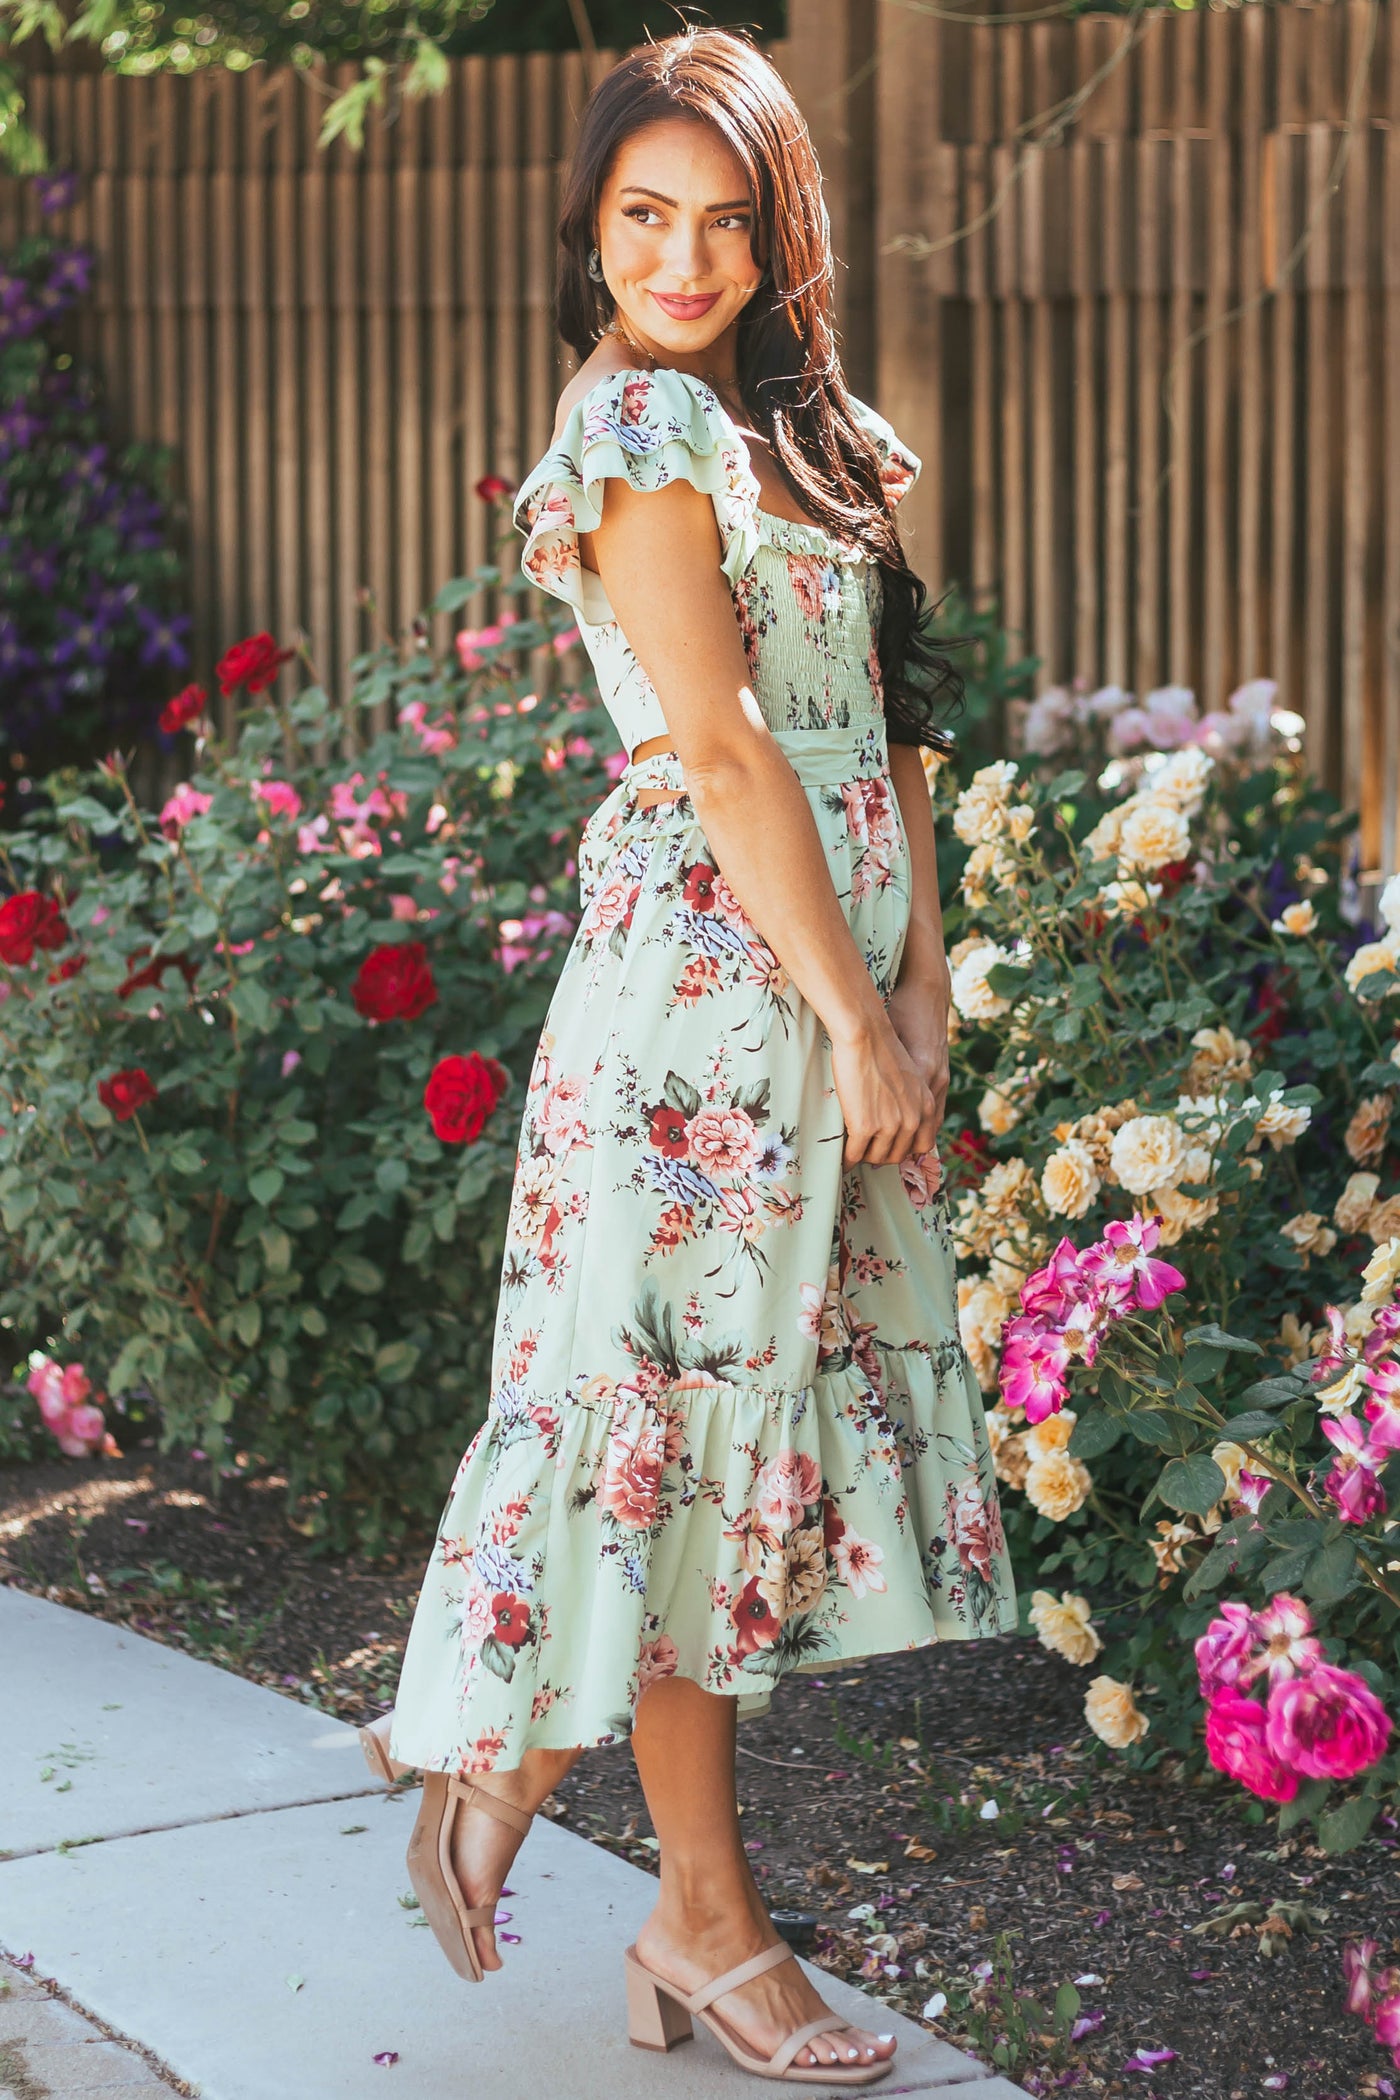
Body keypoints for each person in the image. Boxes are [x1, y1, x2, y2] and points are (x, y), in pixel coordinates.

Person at [374, 26, 1018, 2087]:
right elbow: (727, 751)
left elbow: (901, 720)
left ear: (778, 236)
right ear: (590, 228)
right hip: (716, 1001)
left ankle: (676, 1910)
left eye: (723, 218)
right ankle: (586, 1826)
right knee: (667, 1422)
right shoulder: (641, 428)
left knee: (735, 1454)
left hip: (840, 992)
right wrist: (848, 1011)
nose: (682, 252)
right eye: (645, 214)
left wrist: (925, 996)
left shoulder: (810, 434)